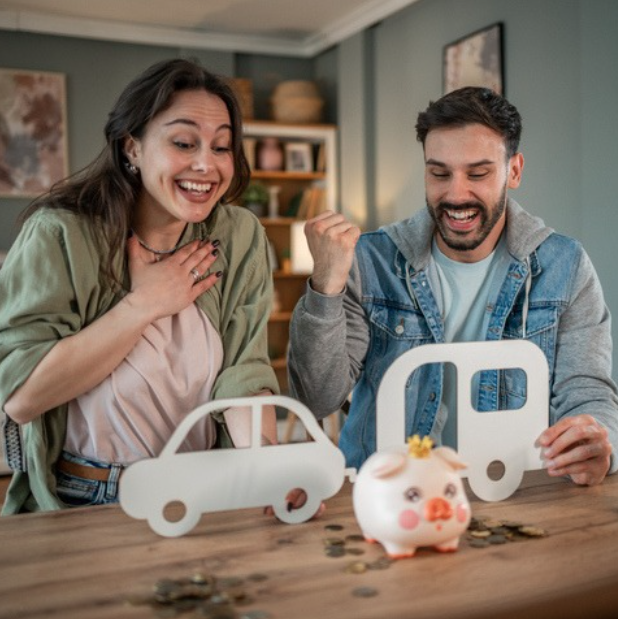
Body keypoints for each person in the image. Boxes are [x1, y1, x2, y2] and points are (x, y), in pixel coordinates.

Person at [288, 86, 617, 486]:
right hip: (386, 495)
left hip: (517, 492)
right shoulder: (371, 262)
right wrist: (325, 286)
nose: (456, 193)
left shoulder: (564, 266)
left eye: (478, 173)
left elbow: (587, 390)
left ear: (514, 171)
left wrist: (599, 441)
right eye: (439, 173)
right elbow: (316, 399)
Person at [0, 58, 282, 514]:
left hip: (206, 490)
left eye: (223, 147)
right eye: (184, 142)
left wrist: (266, 462)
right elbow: (21, 397)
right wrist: (143, 306)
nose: (206, 165)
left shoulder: (239, 234)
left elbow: (243, 372)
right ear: (132, 147)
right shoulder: (61, 234)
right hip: (87, 500)